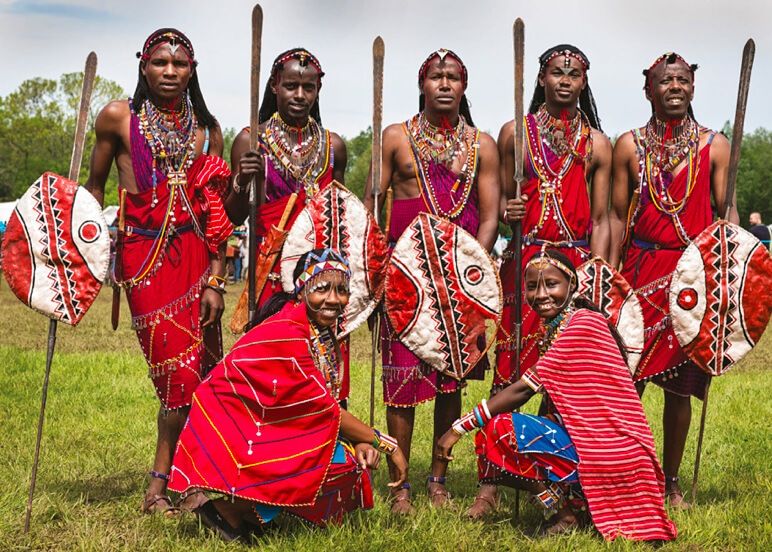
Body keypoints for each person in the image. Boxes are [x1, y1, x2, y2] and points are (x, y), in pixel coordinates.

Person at [84, 28, 231, 515]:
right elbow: (94, 189)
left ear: (193, 70)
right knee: (175, 373)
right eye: (160, 63)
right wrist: (74, 248)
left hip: (196, 255)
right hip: (143, 259)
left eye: (180, 64)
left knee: (205, 370)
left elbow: (215, 213)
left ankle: (187, 478)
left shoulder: (208, 130)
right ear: (143, 66)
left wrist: (215, 279)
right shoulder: (117, 118)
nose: (170, 72)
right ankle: (161, 484)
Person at [168, 249, 408, 541]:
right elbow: (323, 410)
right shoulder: (289, 331)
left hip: (258, 424)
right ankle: (228, 512)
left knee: (353, 463)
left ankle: (252, 513)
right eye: (322, 288)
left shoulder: (316, 330)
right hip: (236, 425)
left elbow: (317, 408)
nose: (333, 299)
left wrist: (360, 440)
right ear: (301, 289)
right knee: (338, 462)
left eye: (342, 290)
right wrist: (386, 443)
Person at [437, 250, 677, 541]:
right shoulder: (556, 326)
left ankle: (565, 514)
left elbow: (525, 388)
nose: (540, 294)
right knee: (506, 432)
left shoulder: (583, 324)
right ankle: (571, 505)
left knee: (500, 430)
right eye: (531, 286)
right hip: (591, 443)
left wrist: (457, 427)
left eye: (551, 284)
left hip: (611, 451)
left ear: (572, 285)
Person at [476, 44, 612, 517]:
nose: (565, 80)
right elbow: (500, 202)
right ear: (540, 78)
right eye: (557, 72)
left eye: (574, 74)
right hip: (523, 258)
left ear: (584, 82)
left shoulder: (597, 143)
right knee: (510, 362)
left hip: (571, 266)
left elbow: (601, 218)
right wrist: (512, 213)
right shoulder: (516, 133)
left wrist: (596, 275)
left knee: (564, 374)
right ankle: (491, 480)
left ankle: (557, 480)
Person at [363, 48, 500, 511]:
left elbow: (490, 216)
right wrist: (375, 279)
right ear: (422, 83)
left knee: (450, 378)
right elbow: (372, 211)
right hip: (406, 278)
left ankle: (438, 478)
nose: (445, 85)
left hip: (461, 279)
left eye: (454, 78)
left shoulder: (481, 145)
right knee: (401, 379)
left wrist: (472, 272)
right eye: (436, 77)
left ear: (465, 86)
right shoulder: (395, 137)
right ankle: (399, 481)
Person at [609, 52, 737, 508]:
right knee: (629, 382)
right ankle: (627, 475)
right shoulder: (628, 145)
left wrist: (730, 264)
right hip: (641, 275)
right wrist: (610, 280)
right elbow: (614, 216)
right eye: (666, 81)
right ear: (649, 89)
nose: (676, 87)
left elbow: (727, 212)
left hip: (693, 278)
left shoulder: (715, 146)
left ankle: (671, 481)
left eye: (683, 80)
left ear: (693, 87)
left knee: (681, 388)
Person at [224, 48, 355, 402]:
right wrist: (241, 179)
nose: (300, 95)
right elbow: (234, 216)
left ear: (318, 90)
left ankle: (326, 447)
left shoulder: (333, 147)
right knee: (272, 370)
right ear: (273, 86)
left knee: (322, 369)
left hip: (323, 283)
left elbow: (342, 217)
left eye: (308, 88)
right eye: (291, 86)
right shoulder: (251, 140)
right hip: (270, 278)